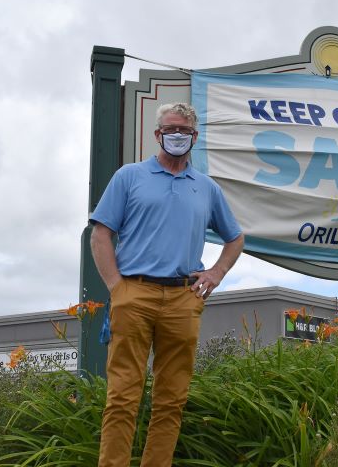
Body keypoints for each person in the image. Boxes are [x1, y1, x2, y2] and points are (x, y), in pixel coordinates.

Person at [90, 102, 244, 467]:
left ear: (195, 137)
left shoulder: (206, 188)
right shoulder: (130, 177)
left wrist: (216, 273)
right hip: (134, 293)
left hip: (183, 298)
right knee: (122, 396)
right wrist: (117, 288)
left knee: (171, 399)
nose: (178, 136)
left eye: (185, 131)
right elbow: (100, 234)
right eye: (171, 129)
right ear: (157, 134)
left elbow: (235, 238)